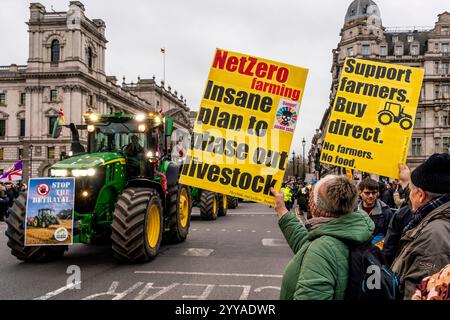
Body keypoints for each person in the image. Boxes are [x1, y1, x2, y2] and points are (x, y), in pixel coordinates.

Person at [271, 175, 374, 300]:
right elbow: (305, 245)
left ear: (317, 208)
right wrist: (282, 211)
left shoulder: (322, 249)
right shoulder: (351, 231)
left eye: (312, 198)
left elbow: (319, 253)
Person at [392, 154, 450, 299]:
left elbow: (418, 292)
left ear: (421, 195)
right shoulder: (437, 216)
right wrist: (407, 181)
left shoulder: (434, 236)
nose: (408, 195)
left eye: (410, 190)